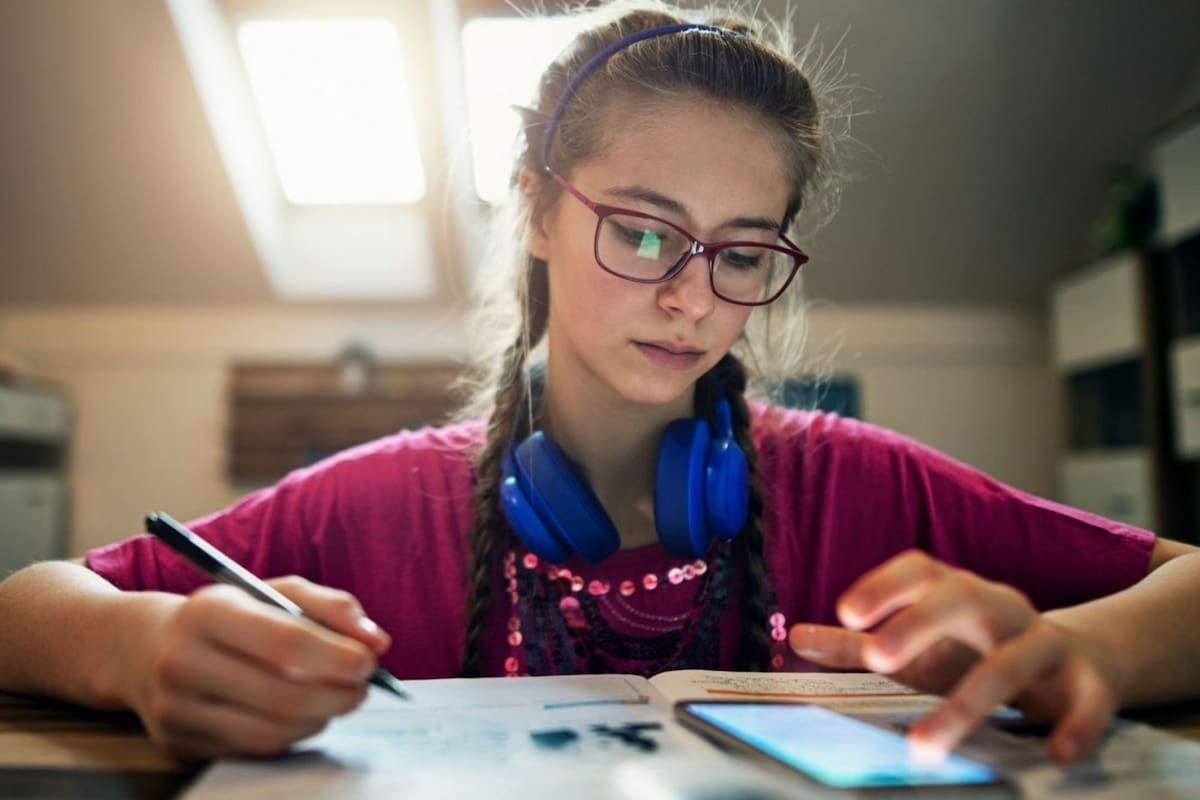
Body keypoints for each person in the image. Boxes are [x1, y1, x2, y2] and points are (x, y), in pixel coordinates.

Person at [1, 0, 1198, 767]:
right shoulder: (371, 507)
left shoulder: (861, 485)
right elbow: (25, 601)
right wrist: (140, 649)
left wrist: (1077, 648)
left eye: (741, 251)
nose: (693, 297)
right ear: (532, 204)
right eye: (640, 231)